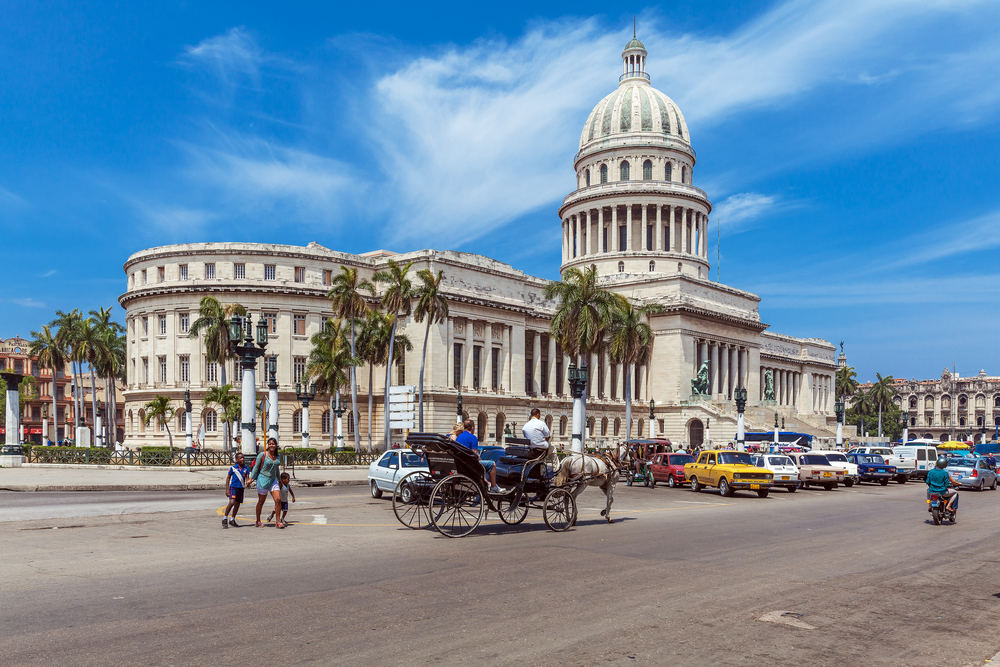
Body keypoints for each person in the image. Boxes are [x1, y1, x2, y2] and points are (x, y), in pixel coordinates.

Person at [455, 419, 499, 493]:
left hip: (460, 465)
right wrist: (480, 460)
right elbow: (474, 454)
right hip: (470, 466)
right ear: (472, 428)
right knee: (492, 464)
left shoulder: (459, 437)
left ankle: (487, 483)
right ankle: (493, 487)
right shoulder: (473, 438)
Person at [251, 438, 285, 528]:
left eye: (273, 444)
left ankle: (277, 522)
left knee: (278, 500)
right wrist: (251, 479)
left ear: (276, 445)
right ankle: (258, 521)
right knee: (261, 501)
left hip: (273, 480)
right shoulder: (262, 455)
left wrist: (279, 479)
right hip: (263, 480)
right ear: (268, 445)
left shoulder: (278, 456)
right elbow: (256, 467)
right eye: (270, 444)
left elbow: (276, 468)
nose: (271, 445)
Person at [223, 452, 250, 528]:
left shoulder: (246, 469)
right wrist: (227, 489)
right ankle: (225, 518)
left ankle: (232, 519)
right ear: (236, 460)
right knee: (231, 502)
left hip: (241, 488)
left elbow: (247, 479)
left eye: (243, 458)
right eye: (240, 458)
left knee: (237, 504)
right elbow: (228, 478)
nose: (243, 459)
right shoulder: (233, 468)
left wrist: (248, 482)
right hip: (233, 487)